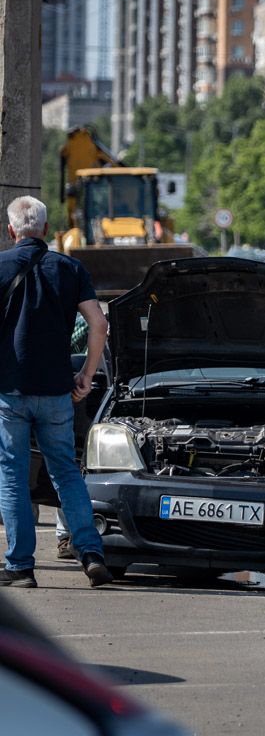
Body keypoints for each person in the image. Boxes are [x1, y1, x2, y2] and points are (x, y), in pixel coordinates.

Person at [0, 196, 112, 588]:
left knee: (12, 476)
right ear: (46, 230)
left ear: (11, 230)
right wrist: (86, 373)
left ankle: (20, 567)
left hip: (9, 391)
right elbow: (98, 325)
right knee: (66, 471)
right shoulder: (69, 268)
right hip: (57, 391)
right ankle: (91, 553)